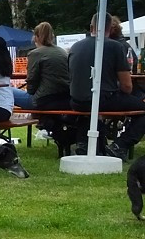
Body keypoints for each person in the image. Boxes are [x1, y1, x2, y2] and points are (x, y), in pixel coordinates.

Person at [68, 13, 145, 161]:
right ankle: (119, 146)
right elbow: (127, 86)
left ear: (91, 27)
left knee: (92, 108)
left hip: (76, 100)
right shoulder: (115, 46)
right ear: (110, 28)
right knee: (141, 109)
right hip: (102, 99)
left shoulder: (75, 46)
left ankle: (84, 143)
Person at [24, 22, 74, 155]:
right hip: (66, 97)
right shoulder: (61, 52)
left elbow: (32, 81)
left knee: (11, 92)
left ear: (36, 37)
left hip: (44, 99)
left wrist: (31, 93)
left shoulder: (35, 53)